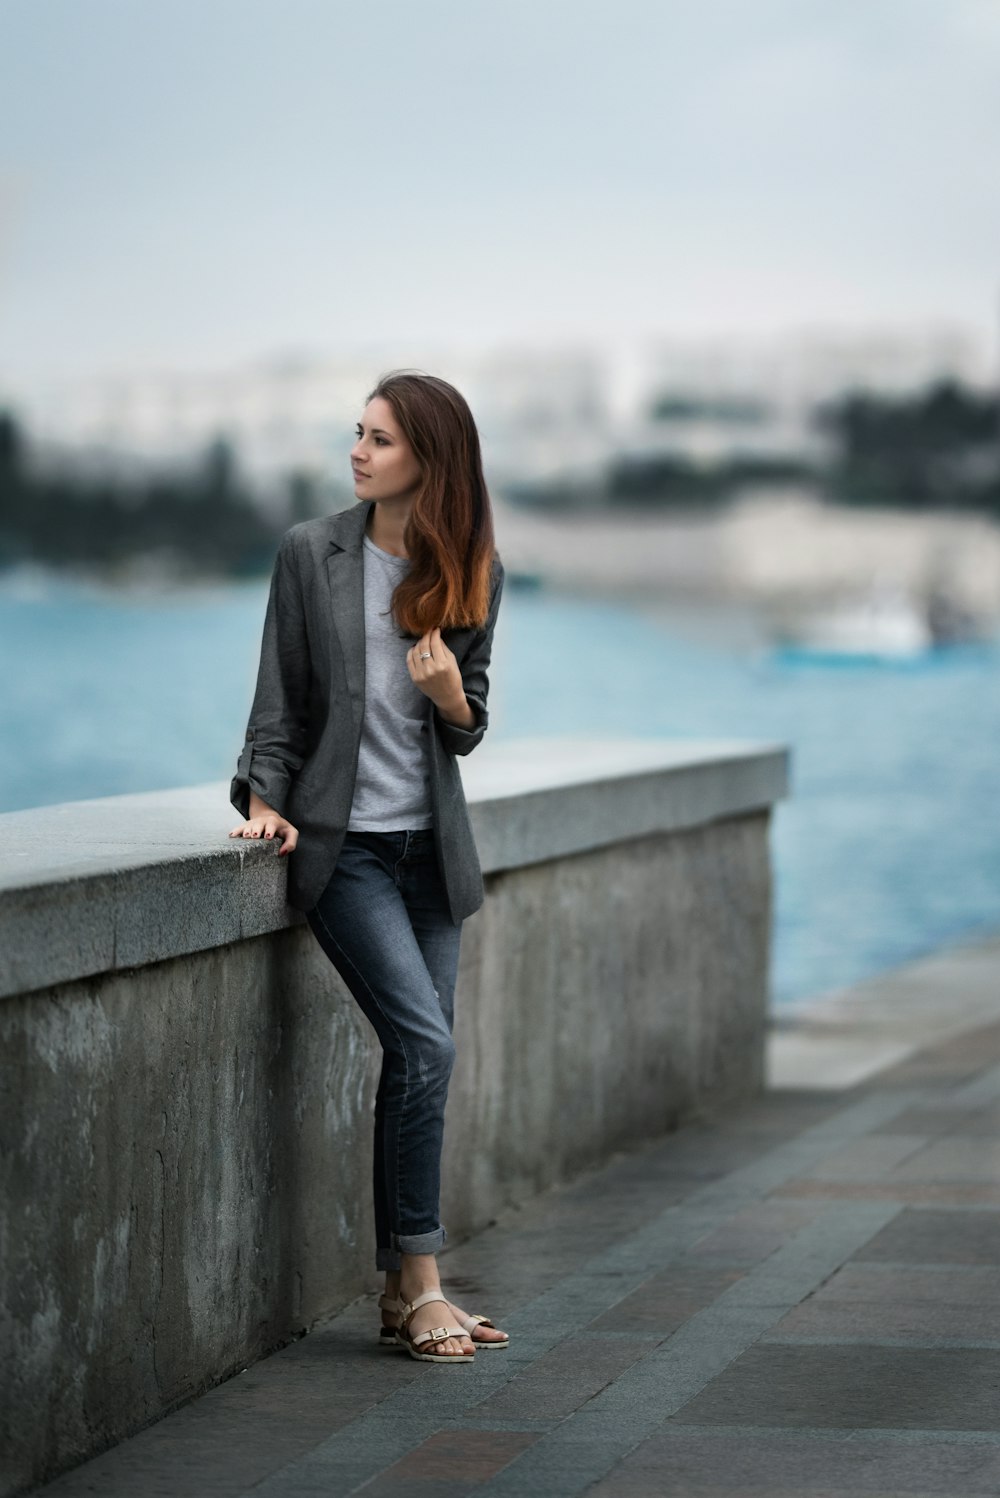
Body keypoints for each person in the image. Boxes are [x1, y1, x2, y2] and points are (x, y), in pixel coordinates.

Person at [228, 371, 508, 1364]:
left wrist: (445, 694)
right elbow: (281, 696)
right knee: (428, 1046)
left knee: (418, 1056)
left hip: (431, 856)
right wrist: (262, 797)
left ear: (429, 460)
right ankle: (428, 1281)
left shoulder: (471, 565)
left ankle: (400, 1293)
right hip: (343, 852)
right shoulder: (312, 552)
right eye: (358, 433)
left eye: (381, 439)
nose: (358, 451)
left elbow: (467, 727)